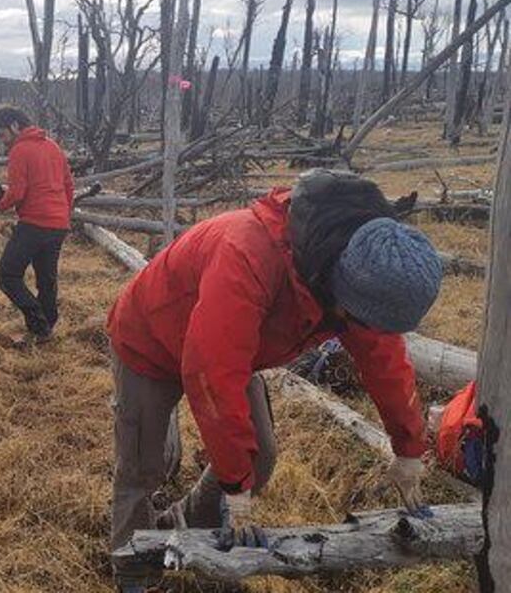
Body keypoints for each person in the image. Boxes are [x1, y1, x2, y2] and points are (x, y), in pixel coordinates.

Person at [106, 169, 443, 590]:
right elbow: (212, 371)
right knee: (142, 468)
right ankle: (134, 571)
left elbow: (384, 359)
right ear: (338, 279)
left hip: (229, 350)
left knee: (258, 458)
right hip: (149, 341)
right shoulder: (248, 252)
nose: (357, 327)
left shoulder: (359, 273)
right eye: (355, 317)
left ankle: (187, 522)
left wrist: (409, 449)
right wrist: (234, 484)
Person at [0, 105, 74, 344]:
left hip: (35, 223)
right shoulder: (53, 146)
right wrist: (65, 215)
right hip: (58, 224)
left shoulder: (20, 150)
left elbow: (17, 193)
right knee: (46, 279)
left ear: (15, 126)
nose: (4, 142)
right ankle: (47, 326)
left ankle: (38, 323)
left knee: (7, 274)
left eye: (3, 135)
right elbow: (68, 185)